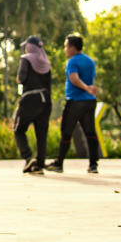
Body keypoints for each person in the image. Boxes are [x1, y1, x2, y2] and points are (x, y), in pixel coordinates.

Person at [45, 34, 101, 174]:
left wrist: (86, 88)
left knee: (66, 132)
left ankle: (59, 163)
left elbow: (74, 78)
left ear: (72, 47)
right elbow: (90, 80)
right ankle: (93, 165)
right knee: (90, 131)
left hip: (76, 101)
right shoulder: (90, 61)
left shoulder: (72, 62)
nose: (65, 49)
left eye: (66, 46)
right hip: (90, 101)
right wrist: (89, 89)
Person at [14, 36, 52, 174]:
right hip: (45, 100)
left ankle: (28, 157)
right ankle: (40, 164)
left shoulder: (26, 59)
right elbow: (49, 85)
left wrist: (19, 80)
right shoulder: (46, 63)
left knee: (19, 130)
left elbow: (21, 78)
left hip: (29, 98)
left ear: (30, 46)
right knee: (41, 134)